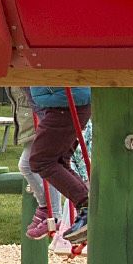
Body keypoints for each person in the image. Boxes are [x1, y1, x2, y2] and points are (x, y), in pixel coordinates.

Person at [26, 85, 91, 252]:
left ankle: (86, 206)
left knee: (41, 160)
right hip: (65, 103)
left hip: (65, 104)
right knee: (57, 160)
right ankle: (86, 208)